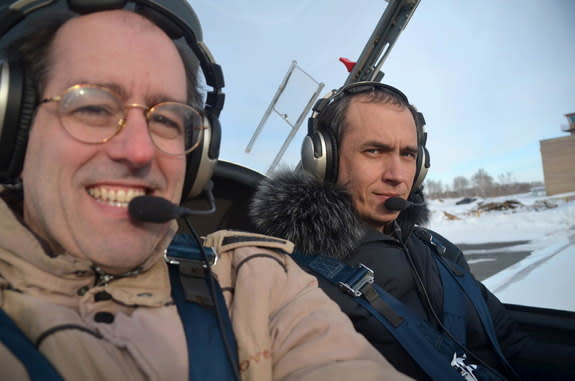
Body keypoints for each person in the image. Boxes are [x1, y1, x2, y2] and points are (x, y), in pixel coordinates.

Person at [0, 2, 414, 381]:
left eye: (166, 120)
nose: (140, 151)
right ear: (13, 125)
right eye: (92, 107)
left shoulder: (256, 281)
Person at [249, 81, 575, 381]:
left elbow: (510, 345)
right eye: (374, 151)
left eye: (408, 154)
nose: (396, 175)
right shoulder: (291, 278)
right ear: (323, 159)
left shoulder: (439, 252)